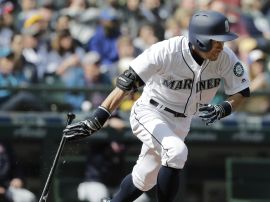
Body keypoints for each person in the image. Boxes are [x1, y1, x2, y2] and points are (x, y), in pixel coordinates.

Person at [63, 10, 250, 202]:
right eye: (216, 40)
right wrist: (96, 120)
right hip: (151, 111)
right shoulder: (167, 51)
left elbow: (242, 91)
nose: (221, 45)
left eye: (223, 40)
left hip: (182, 121)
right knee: (176, 152)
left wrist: (224, 108)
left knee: (144, 179)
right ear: (200, 40)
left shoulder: (225, 57)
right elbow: (126, 83)